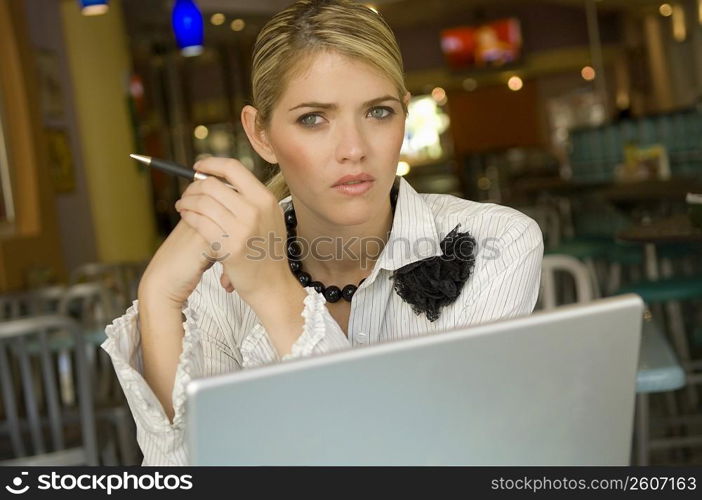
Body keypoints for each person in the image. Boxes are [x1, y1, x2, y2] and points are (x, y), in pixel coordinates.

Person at [102, 0, 543, 466]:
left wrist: (274, 292)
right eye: (313, 118)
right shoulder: (216, 285)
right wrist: (157, 295)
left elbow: (442, 462)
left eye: (378, 112)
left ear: (404, 115)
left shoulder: (500, 242)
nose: (353, 149)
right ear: (261, 135)